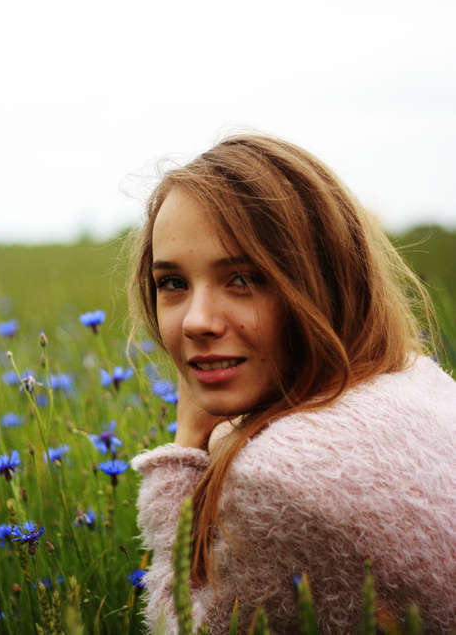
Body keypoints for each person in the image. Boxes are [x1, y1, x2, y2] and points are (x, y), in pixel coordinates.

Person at [129, 133, 456, 634]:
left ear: (323, 284)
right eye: (172, 283)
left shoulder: (281, 476)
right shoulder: (417, 380)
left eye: (243, 278)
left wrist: (184, 450)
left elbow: (183, 626)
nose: (196, 321)